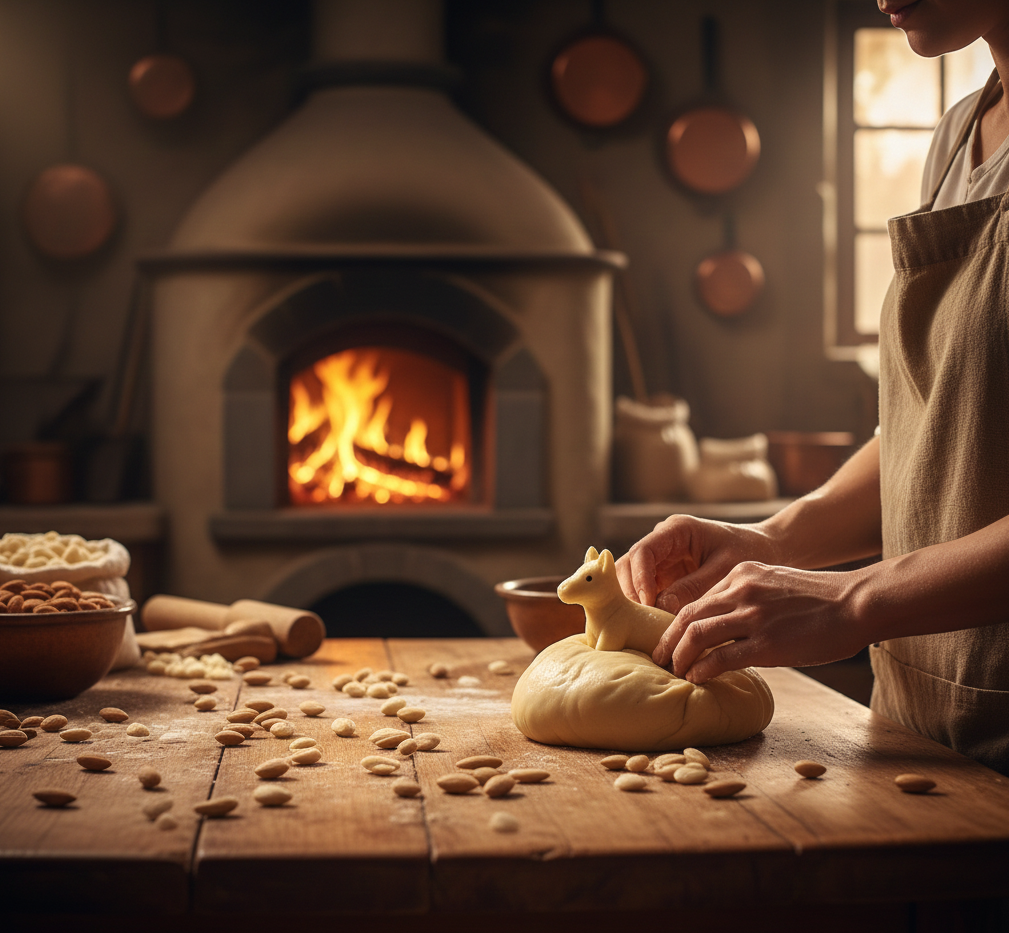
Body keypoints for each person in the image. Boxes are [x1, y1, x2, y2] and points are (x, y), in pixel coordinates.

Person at [615, 0, 1009, 775]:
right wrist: (770, 539)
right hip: (923, 725)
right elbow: (934, 433)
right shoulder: (959, 133)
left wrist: (851, 599)